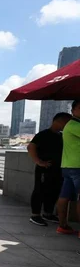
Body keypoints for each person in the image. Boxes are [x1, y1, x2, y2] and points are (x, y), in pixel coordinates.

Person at [27, 112, 72, 226]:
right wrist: (39, 162)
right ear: (58, 121)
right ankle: (35, 215)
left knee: (54, 191)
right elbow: (31, 147)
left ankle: (48, 213)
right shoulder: (43, 134)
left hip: (58, 170)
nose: (67, 125)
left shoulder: (61, 136)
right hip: (45, 169)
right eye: (66, 122)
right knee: (40, 190)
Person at [56, 100, 80, 236]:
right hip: (78, 166)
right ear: (73, 110)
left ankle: (62, 225)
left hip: (68, 166)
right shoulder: (75, 125)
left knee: (64, 196)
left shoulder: (69, 125)